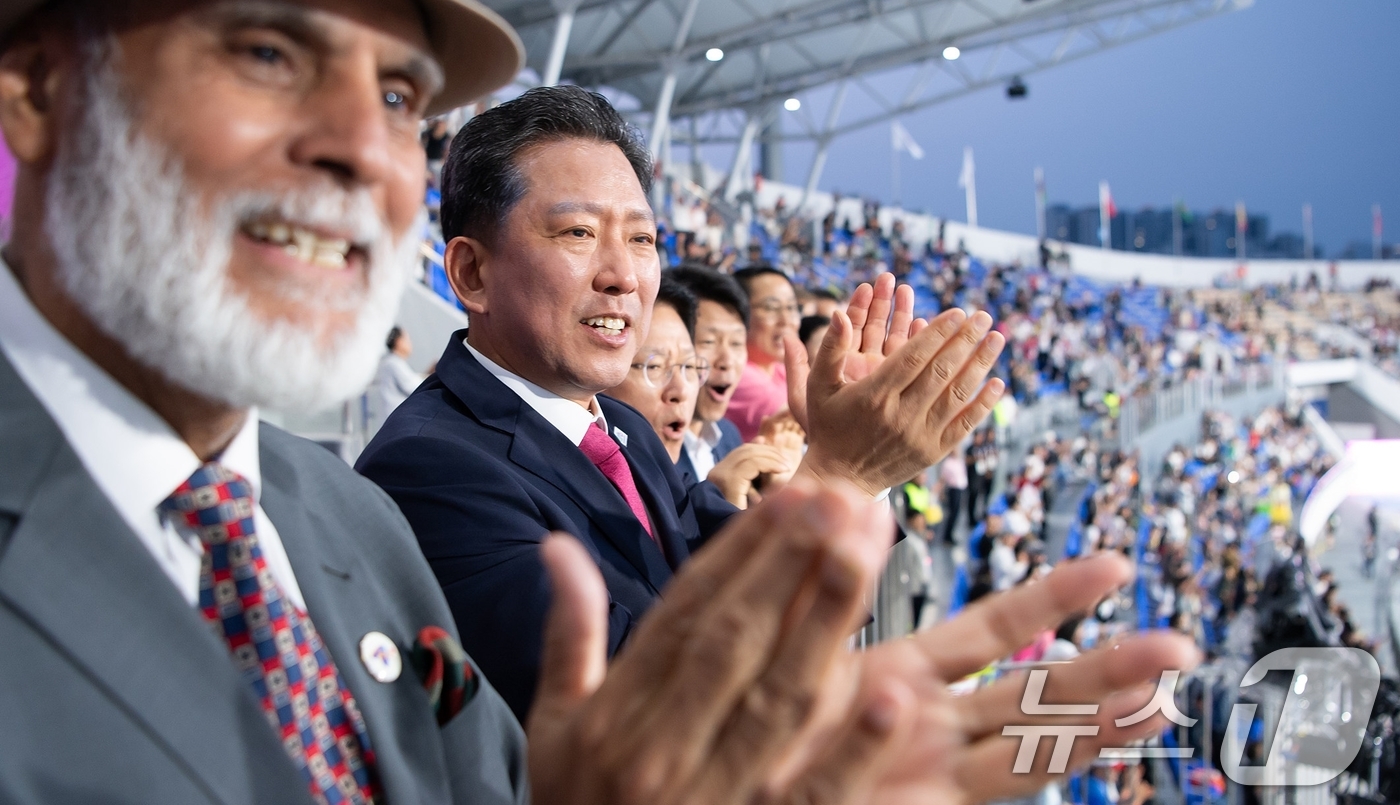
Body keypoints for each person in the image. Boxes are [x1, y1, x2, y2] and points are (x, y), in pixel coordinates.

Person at [0, 3, 1204, 805]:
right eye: (269, 52)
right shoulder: (421, 480)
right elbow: (667, 685)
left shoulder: (337, 523)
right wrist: (837, 482)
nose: (365, 148)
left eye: (403, 102)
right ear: (37, 86)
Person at [357, 85, 1012, 719]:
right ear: (471, 272)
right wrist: (841, 475)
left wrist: (849, 476)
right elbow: (633, 715)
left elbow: (715, 570)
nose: (623, 275)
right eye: (578, 233)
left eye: (642, 240)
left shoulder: (624, 428)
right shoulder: (429, 468)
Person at [726, 266, 800, 442]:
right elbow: (815, 420)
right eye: (771, 308)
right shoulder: (738, 375)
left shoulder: (780, 369)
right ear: (738, 314)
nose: (786, 320)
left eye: (791, 307)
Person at [367, 325, 424, 434]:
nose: (410, 343)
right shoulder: (394, 364)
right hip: (398, 425)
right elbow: (415, 387)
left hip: (393, 423)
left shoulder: (389, 362)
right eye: (407, 339)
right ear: (399, 342)